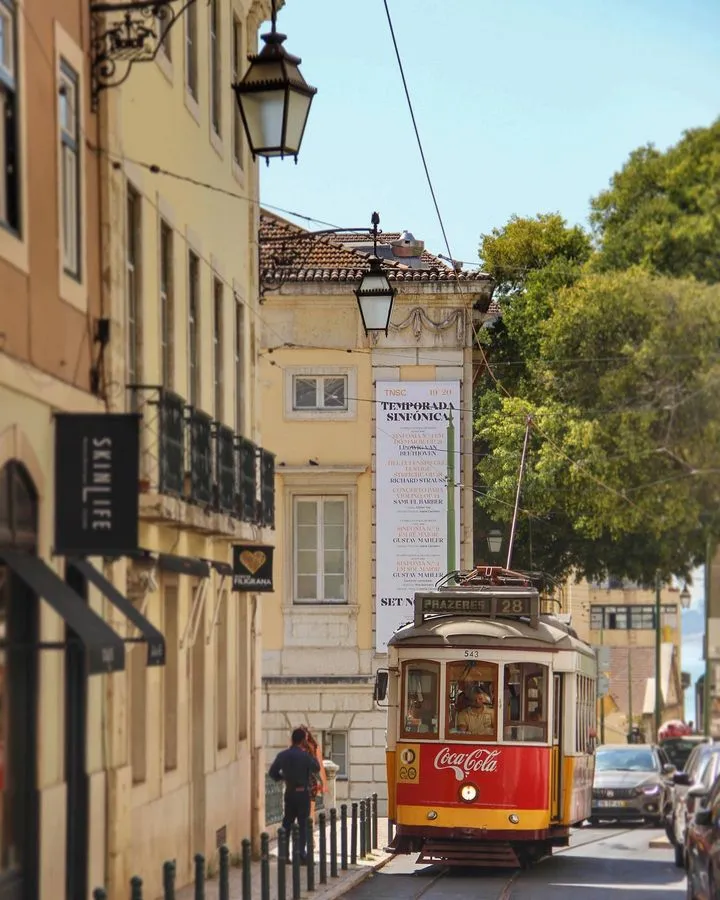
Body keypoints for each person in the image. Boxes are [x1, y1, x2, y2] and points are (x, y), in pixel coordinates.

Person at [268, 727, 321, 861]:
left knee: (287, 823)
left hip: (290, 792)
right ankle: (300, 854)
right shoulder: (305, 756)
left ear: (292, 739)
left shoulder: (283, 755)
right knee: (303, 824)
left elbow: (272, 772)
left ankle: (284, 854)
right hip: (303, 793)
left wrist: (284, 778)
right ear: (303, 740)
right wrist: (309, 749)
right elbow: (316, 767)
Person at [298, 725, 327, 818]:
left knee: (310, 812)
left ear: (307, 735)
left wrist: (325, 784)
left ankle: (309, 831)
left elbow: (321, 767)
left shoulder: (314, 747)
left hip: (310, 783)